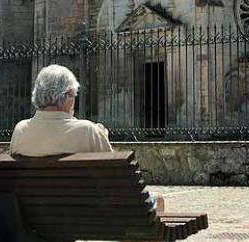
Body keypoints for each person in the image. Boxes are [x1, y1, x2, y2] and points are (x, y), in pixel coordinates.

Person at [10, 64, 164, 214]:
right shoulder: (87, 130)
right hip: (85, 213)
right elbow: (114, 180)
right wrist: (102, 136)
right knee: (158, 199)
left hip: (35, 213)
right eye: (74, 95)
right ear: (67, 96)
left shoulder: (20, 130)